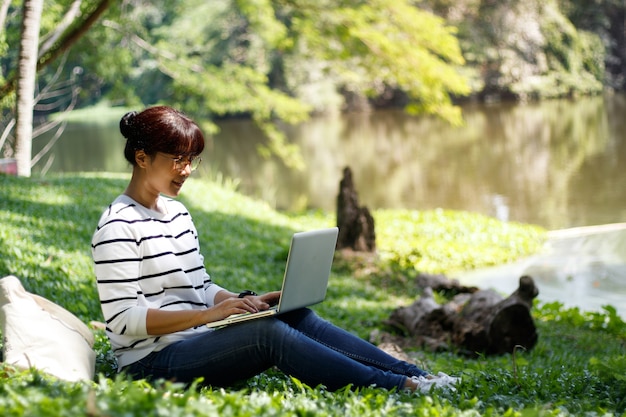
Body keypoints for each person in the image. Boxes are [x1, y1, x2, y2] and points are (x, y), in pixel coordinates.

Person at [91, 105, 458, 393]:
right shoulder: (117, 225)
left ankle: (419, 375)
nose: (186, 170)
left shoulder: (176, 213)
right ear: (142, 158)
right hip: (152, 363)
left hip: (195, 340)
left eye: (192, 160)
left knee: (292, 316)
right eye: (177, 159)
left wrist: (239, 302)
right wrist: (207, 317)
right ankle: (402, 387)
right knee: (266, 335)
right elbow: (124, 319)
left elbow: (199, 287)